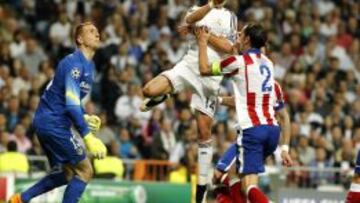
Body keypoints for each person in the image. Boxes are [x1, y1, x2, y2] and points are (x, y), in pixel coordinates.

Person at [140, 1, 237, 201]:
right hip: (188, 66)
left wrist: (205, 35)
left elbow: (230, 47)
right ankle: (165, 94)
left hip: (210, 76)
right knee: (148, 90)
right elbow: (189, 19)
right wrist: (208, 8)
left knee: (203, 133)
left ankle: (201, 190)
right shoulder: (197, 9)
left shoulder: (230, 17)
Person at [8, 22, 107, 203]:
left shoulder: (89, 67)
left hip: (48, 121)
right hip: (54, 122)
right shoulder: (73, 63)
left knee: (66, 173)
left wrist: (85, 116)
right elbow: (70, 104)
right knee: (85, 170)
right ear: (79, 39)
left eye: (97, 31)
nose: (97, 34)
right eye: (92, 31)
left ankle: (19, 199)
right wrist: (88, 137)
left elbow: (71, 100)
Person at [196, 24, 292, 203]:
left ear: (247, 39)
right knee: (232, 177)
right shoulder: (268, 65)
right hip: (272, 131)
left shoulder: (237, 63)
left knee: (248, 187)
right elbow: (248, 97)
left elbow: (204, 69)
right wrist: (221, 100)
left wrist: (203, 42)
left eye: (240, 34)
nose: (237, 37)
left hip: (252, 131)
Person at [213, 81, 293, 203]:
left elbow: (238, 101)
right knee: (234, 174)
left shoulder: (249, 77)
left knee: (245, 185)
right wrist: (285, 148)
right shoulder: (274, 84)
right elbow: (284, 116)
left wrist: (217, 99)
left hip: (252, 133)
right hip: (273, 133)